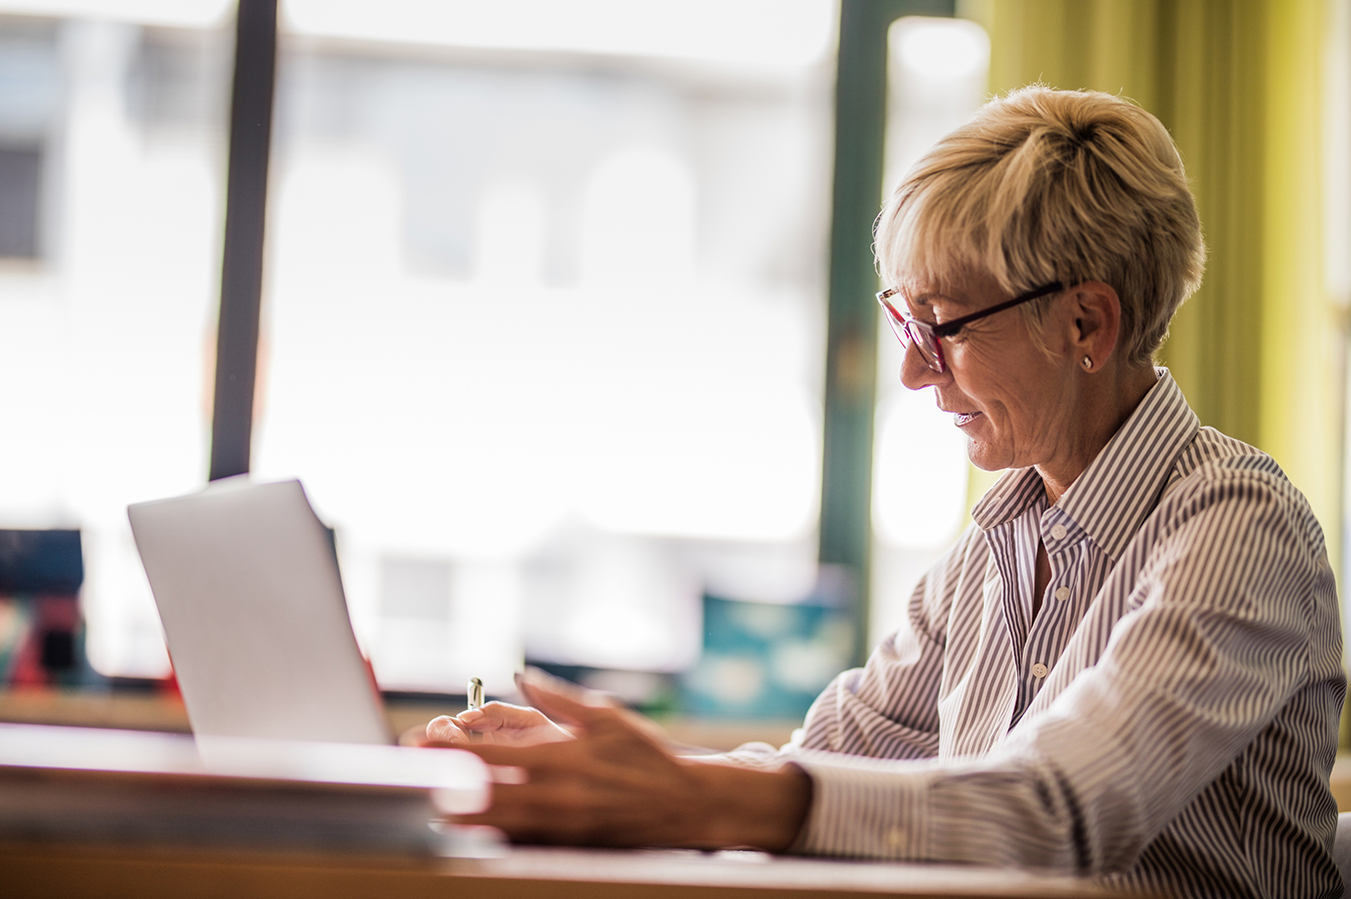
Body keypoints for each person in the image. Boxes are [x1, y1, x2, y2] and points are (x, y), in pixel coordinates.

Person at [421, 87, 1346, 898]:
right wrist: (608, 769)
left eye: (942, 323)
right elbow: (817, 774)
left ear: (1084, 321)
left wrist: (686, 793)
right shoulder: (989, 550)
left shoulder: (1236, 526)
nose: (911, 369)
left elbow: (1058, 811)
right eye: (904, 317)